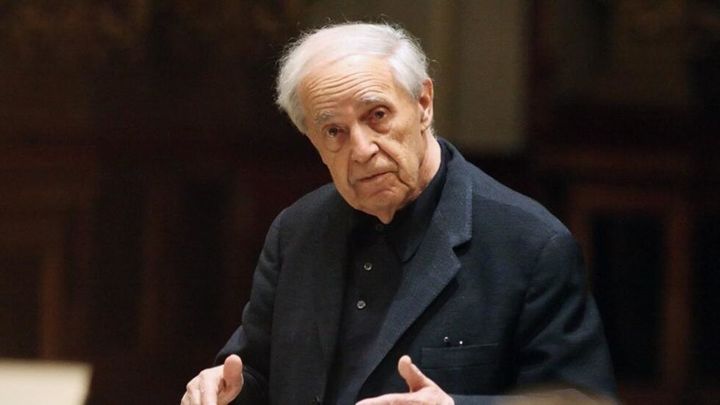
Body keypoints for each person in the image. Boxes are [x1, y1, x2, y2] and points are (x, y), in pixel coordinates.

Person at [181, 22, 615, 405]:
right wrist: (225, 390)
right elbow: (256, 372)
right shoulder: (296, 232)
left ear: (423, 103)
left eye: (378, 115)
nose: (362, 149)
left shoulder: (530, 244)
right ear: (312, 140)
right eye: (334, 131)